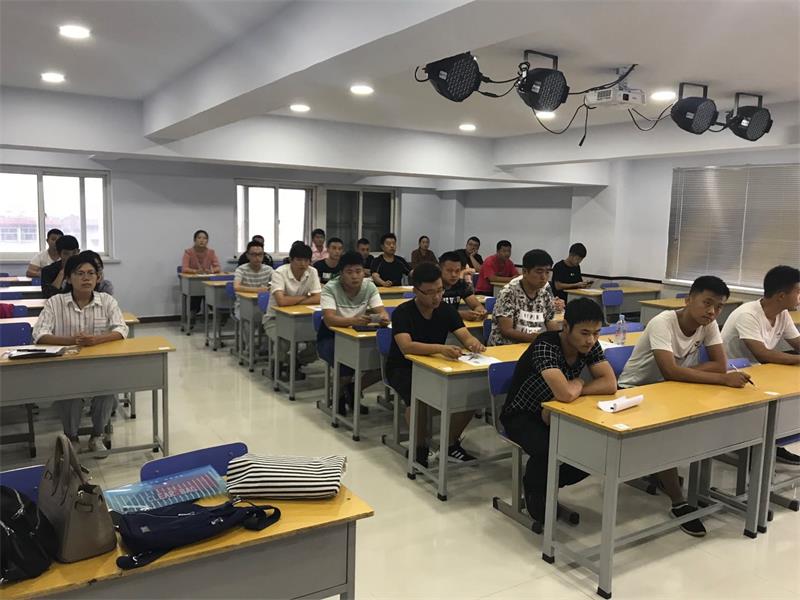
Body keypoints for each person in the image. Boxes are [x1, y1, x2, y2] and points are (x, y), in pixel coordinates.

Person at [619, 275, 751, 537]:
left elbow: (719, 364)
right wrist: (720, 379)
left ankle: (671, 478)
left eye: (719, 307)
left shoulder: (708, 324)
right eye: (707, 303)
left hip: (672, 389)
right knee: (667, 437)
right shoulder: (663, 322)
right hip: (635, 391)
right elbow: (670, 371)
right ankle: (679, 502)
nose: (712, 312)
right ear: (688, 300)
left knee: (704, 421)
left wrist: (688, 373)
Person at [501, 298, 616, 529]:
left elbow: (610, 383)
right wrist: (575, 385)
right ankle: (535, 486)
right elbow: (564, 393)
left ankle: (546, 482)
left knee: (593, 450)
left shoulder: (590, 346)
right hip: (522, 414)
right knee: (549, 448)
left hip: (559, 411)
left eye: (596, 333)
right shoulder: (546, 345)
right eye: (584, 333)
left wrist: (577, 387)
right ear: (566, 327)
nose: (591, 340)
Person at [386, 263, 485, 466]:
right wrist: (440, 348)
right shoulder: (403, 312)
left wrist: (474, 344)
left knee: (471, 393)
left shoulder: (446, 310)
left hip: (436, 366)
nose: (437, 297)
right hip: (403, 367)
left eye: (440, 290)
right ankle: (419, 447)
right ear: (416, 291)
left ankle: (449, 444)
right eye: (430, 292)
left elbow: (465, 336)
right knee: (418, 399)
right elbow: (406, 347)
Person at [32, 254, 129, 453]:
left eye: (91, 273)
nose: (86, 278)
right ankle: (71, 437)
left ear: (98, 278)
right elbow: (39, 334)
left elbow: (121, 329)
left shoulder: (107, 301)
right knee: (70, 394)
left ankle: (97, 435)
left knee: (106, 391)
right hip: (67, 366)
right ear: (68, 278)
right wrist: (71, 341)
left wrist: (96, 340)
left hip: (99, 365)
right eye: (80, 273)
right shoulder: (55, 302)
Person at [721, 265, 800, 465]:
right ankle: (753, 446)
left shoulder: (782, 314)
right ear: (781, 296)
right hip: (734, 375)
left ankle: (772, 442)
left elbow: (797, 343)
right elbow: (762, 354)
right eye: (798, 292)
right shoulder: (748, 314)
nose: (799, 297)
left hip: (760, 372)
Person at [318, 251, 389, 415]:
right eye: (349, 272)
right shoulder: (330, 288)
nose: (355, 276)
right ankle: (339, 397)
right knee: (346, 369)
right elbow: (329, 320)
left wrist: (383, 318)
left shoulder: (369, 287)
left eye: (358, 271)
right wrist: (353, 320)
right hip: (330, 337)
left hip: (357, 336)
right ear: (341, 273)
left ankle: (353, 389)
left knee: (384, 364)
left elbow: (382, 311)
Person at [264, 242, 322, 381]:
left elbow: (318, 298)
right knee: (283, 341)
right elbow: (281, 301)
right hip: (275, 319)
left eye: (306, 260)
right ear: (291, 259)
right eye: (299, 260)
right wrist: (306, 297)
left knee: (321, 342)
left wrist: (293, 300)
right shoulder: (279, 273)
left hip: (303, 320)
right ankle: (277, 367)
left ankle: (295, 363)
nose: (303, 264)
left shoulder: (312, 272)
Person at [488, 249, 560, 346]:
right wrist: (537, 339)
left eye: (547, 272)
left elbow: (551, 323)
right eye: (539, 272)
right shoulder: (508, 293)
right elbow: (506, 330)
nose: (544, 277)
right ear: (525, 272)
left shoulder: (545, 295)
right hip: (505, 347)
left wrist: (558, 338)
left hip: (532, 346)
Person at [181, 229, 221, 316]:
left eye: (205, 238)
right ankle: (192, 314)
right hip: (194, 282)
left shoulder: (211, 252)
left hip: (207, 281)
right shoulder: (188, 252)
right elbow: (184, 268)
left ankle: (219, 314)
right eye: (199, 238)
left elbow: (218, 267)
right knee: (195, 293)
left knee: (213, 293)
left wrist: (211, 271)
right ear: (194, 240)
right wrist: (195, 271)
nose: (202, 240)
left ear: (207, 241)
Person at [438, 251, 487, 321]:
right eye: (449, 271)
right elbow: (432, 312)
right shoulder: (433, 285)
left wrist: (480, 311)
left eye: (457, 271)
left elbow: (476, 305)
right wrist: (460, 315)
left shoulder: (460, 284)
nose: (454, 275)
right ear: (440, 269)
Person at [233, 241, 273, 318]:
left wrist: (270, 288)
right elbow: (236, 287)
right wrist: (258, 290)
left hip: (264, 304)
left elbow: (278, 283)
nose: (257, 258)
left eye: (260, 254)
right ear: (247, 255)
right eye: (254, 254)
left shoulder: (269, 269)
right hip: (244, 305)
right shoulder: (241, 269)